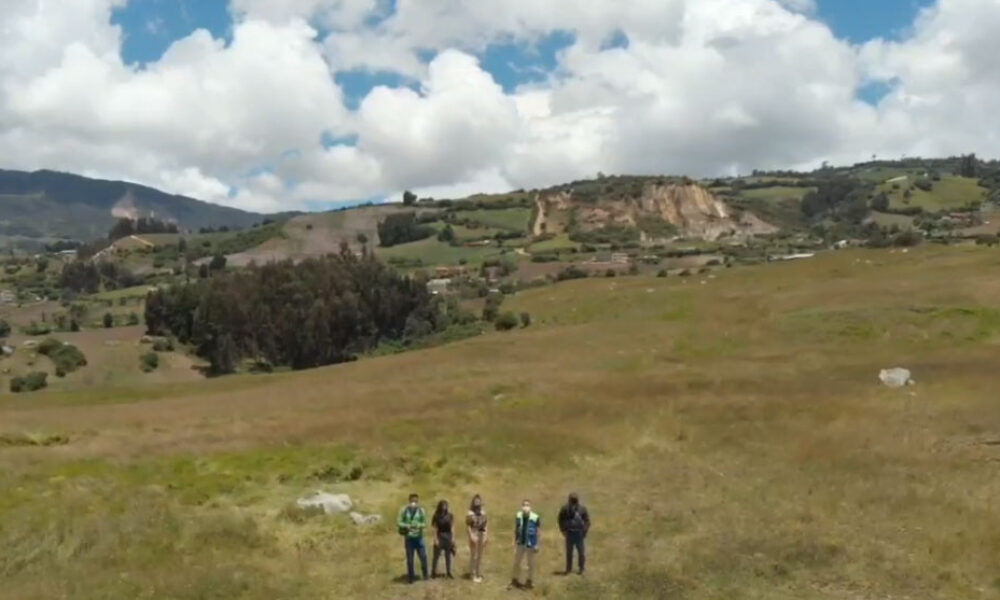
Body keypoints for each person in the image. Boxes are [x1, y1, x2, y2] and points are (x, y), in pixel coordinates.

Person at [509, 499, 541, 590]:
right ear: (521, 506)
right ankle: (515, 579)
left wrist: (537, 544)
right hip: (520, 542)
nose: (525, 507)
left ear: (530, 507)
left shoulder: (535, 517)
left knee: (530, 563)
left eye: (527, 505)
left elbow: (538, 531)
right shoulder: (518, 515)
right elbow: (516, 529)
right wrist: (514, 541)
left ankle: (529, 581)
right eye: (524, 505)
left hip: (530, 543)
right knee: (517, 562)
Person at [397, 493, 428, 584]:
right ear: (409, 501)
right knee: (410, 558)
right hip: (409, 538)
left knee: (423, 557)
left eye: (416, 501)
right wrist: (407, 526)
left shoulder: (421, 510)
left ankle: (425, 574)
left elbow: (425, 523)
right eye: (412, 501)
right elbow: (399, 522)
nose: (414, 503)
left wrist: (418, 525)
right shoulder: (404, 510)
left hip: (419, 538)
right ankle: (411, 576)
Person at [558, 492, 591, 575]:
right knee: (569, 552)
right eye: (572, 501)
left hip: (579, 534)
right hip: (569, 533)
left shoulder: (582, 509)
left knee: (581, 552)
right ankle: (568, 569)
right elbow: (560, 520)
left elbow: (587, 521)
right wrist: (563, 530)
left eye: (574, 501)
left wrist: (584, 531)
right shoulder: (565, 509)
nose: (573, 503)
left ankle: (581, 568)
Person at [466, 494, 488, 583]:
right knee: (473, 555)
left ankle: (478, 572)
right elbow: (468, 525)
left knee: (480, 555)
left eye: (478, 501)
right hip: (474, 533)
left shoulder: (483, 512)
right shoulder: (470, 513)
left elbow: (486, 524)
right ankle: (472, 573)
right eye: (476, 501)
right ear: (473, 502)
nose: (477, 502)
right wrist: (471, 535)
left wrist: (486, 535)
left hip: (481, 534)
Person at [431, 500, 456, 579]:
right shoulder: (436, 516)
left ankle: (448, 572)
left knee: (448, 555)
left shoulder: (450, 516)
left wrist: (453, 538)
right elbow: (435, 528)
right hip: (440, 536)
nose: (444, 507)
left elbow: (452, 527)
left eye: (445, 506)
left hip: (448, 536)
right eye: (443, 506)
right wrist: (435, 538)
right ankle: (433, 572)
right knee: (436, 556)